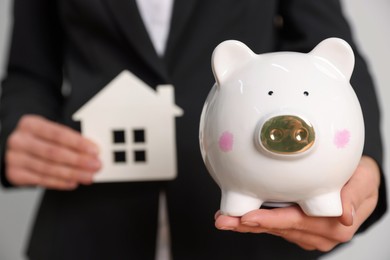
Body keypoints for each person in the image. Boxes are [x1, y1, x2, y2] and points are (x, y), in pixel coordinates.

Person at [0, 0, 386, 259]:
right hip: (90, 222)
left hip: (251, 235)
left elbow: (328, 57)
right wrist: (13, 133)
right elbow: (28, 73)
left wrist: (361, 164)